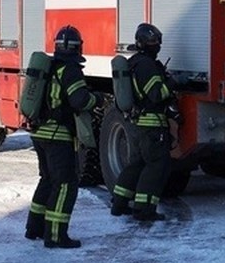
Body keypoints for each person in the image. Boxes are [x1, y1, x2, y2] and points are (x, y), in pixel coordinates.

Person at [26, 25, 103, 249]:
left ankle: (35, 228)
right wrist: (96, 99)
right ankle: (56, 234)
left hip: (40, 133)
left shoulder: (49, 67)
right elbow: (79, 100)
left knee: (47, 180)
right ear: (79, 47)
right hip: (58, 135)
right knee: (66, 184)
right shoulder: (70, 70)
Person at [110, 22, 181, 223]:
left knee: (138, 164)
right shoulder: (147, 65)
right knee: (157, 166)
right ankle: (144, 210)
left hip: (140, 123)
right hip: (152, 125)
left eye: (157, 40)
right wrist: (173, 83)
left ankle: (119, 203)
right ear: (141, 42)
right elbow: (156, 94)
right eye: (152, 41)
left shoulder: (135, 62)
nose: (156, 44)